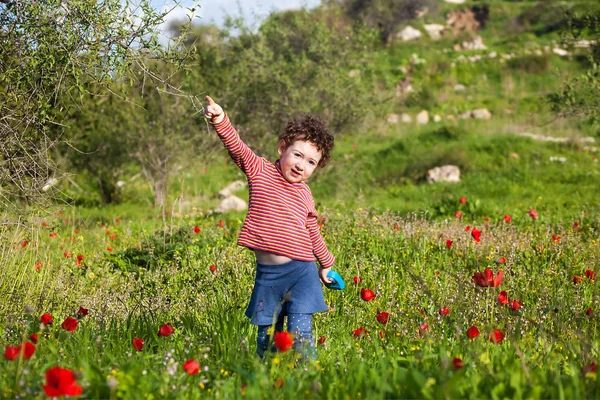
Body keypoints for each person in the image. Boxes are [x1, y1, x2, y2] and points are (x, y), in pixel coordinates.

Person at [204, 95, 335, 359]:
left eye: (311, 162)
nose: (301, 165)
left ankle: (304, 379)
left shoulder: (305, 194)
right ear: (282, 148)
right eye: (297, 155)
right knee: (267, 335)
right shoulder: (261, 171)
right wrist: (220, 120)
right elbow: (238, 148)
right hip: (269, 276)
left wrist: (326, 262)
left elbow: (313, 232)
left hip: (302, 272)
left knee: (300, 334)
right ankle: (268, 381)